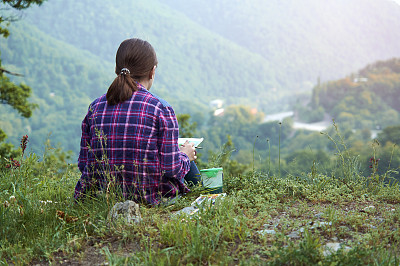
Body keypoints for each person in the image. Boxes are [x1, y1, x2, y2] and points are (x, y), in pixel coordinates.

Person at [74, 38, 200, 205]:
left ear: (116, 70)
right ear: (152, 72)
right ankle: (203, 200)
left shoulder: (95, 107)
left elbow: (84, 164)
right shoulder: (160, 108)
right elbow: (172, 170)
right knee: (189, 164)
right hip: (151, 200)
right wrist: (185, 155)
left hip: (103, 198)